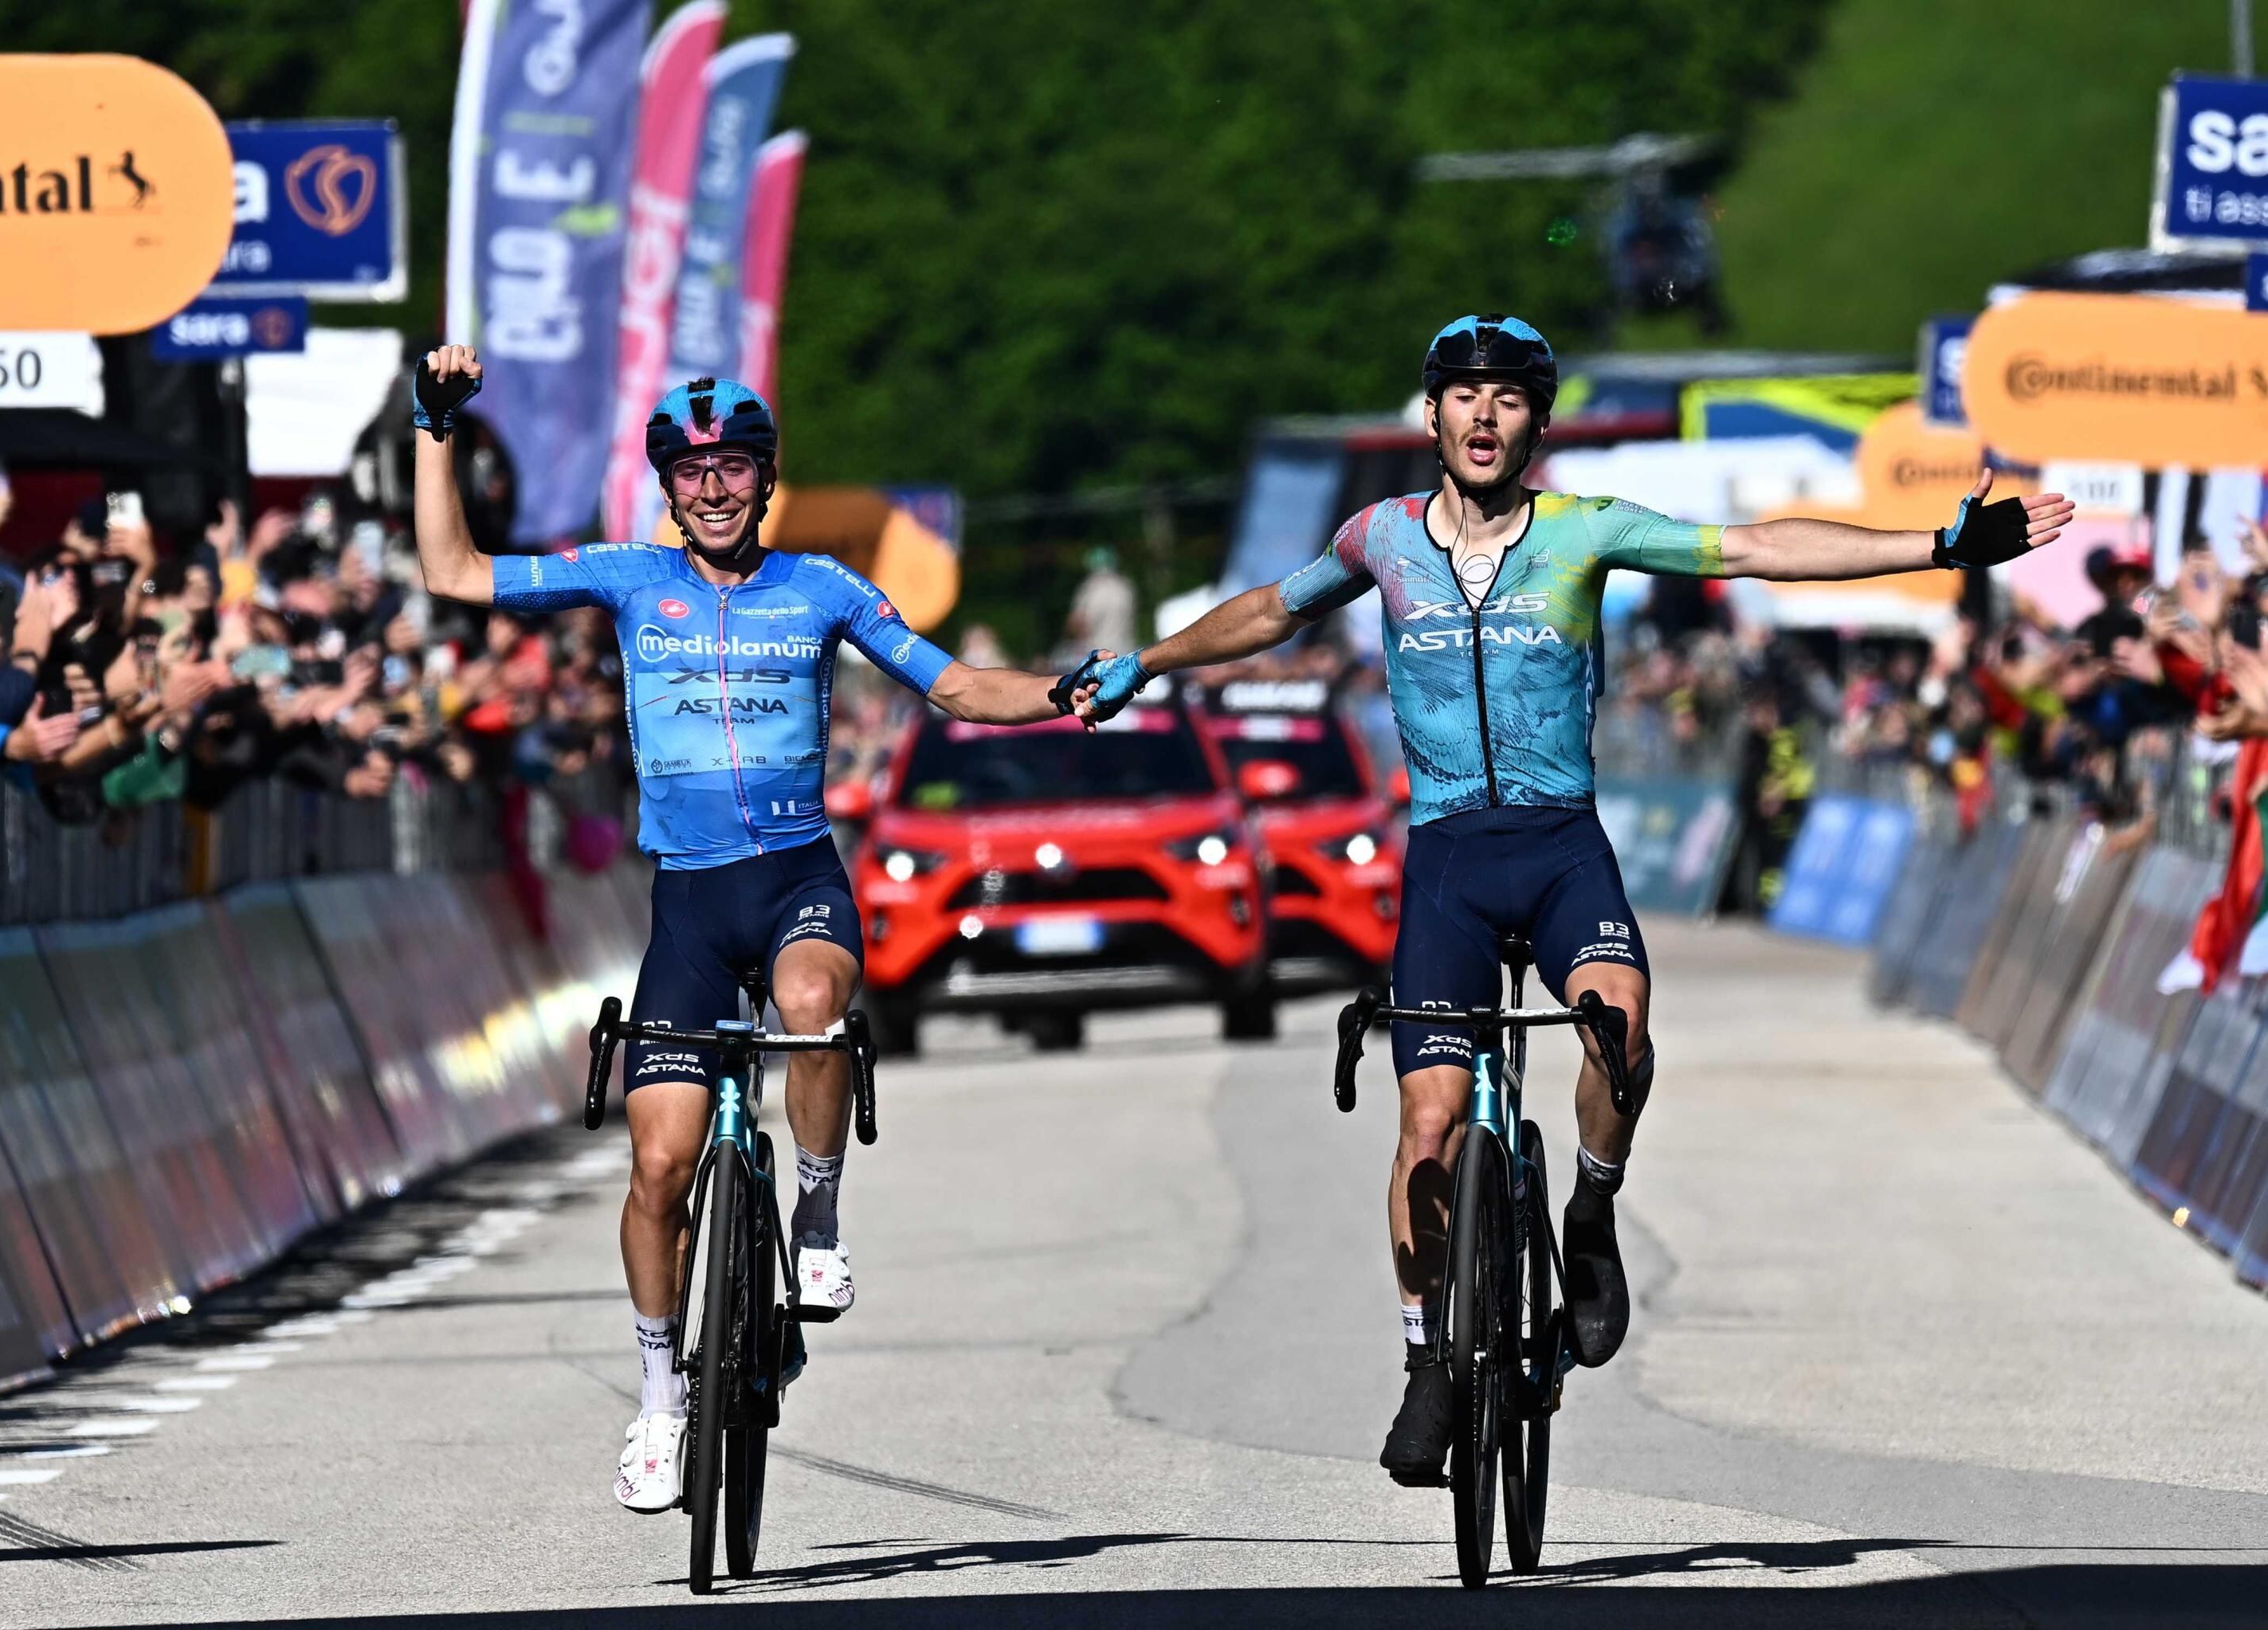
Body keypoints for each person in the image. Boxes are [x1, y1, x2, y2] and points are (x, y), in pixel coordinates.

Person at [1068, 313, 2073, 1487]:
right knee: (1429, 1126)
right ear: (1432, 414)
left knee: (1619, 1023)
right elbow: (1269, 612)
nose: (1483, 416)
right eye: (1462, 395)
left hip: (1559, 851)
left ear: (1536, 423)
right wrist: (1147, 660)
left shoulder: (1588, 532)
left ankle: (1590, 1212)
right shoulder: (1380, 537)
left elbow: (1754, 547)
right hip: (1446, 855)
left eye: (1507, 399)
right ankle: (1426, 1361)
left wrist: (1940, 541)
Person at [409, 348, 1092, 1514]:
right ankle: (660, 1404)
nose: (715, 489)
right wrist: (436, 426)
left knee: (817, 1006)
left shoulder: (823, 587)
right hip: (687, 902)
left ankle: (817, 1215)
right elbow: (453, 566)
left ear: (765, 479)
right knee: (659, 1164)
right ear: (667, 489)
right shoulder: (628, 577)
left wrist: (1067, 690)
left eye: (734, 468)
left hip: (794, 884)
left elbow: (957, 687)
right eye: (693, 471)